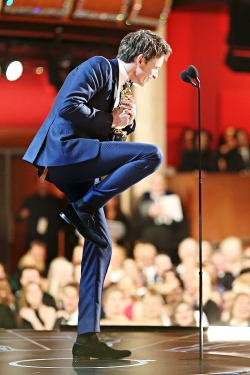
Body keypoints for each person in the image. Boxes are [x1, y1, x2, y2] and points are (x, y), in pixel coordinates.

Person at [22, 29, 172, 360]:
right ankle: (86, 206)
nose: (157, 74)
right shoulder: (98, 67)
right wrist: (112, 120)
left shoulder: (125, 88)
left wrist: (123, 126)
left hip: (83, 166)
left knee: (101, 245)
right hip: (64, 153)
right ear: (140, 59)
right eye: (156, 67)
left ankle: (87, 337)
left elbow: (109, 139)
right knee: (152, 155)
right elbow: (68, 108)